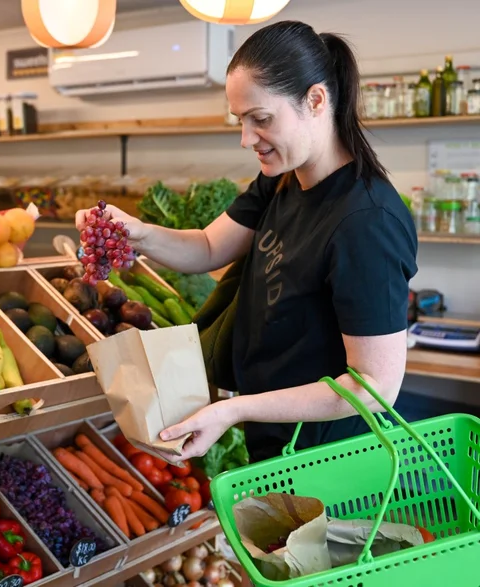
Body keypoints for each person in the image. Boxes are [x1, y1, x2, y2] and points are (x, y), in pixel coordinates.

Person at [76, 20, 418, 464]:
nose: (246, 138)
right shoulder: (283, 181)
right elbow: (206, 247)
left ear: (315, 100)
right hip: (274, 443)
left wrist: (234, 409)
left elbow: (373, 387)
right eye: (241, 120)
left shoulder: (367, 222)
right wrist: (135, 232)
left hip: (330, 462)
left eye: (261, 119)